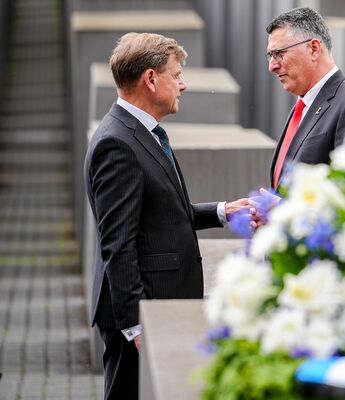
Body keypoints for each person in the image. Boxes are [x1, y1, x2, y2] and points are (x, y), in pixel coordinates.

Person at [84, 32, 252, 399]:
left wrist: (224, 211)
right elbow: (119, 242)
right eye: (176, 75)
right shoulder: (118, 143)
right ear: (150, 78)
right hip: (142, 310)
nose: (184, 85)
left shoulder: (145, 132)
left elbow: (160, 215)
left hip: (156, 303)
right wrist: (136, 326)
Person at [265, 7, 345, 189]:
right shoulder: (304, 105)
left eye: (279, 54)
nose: (272, 66)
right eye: (270, 56)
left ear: (314, 49)